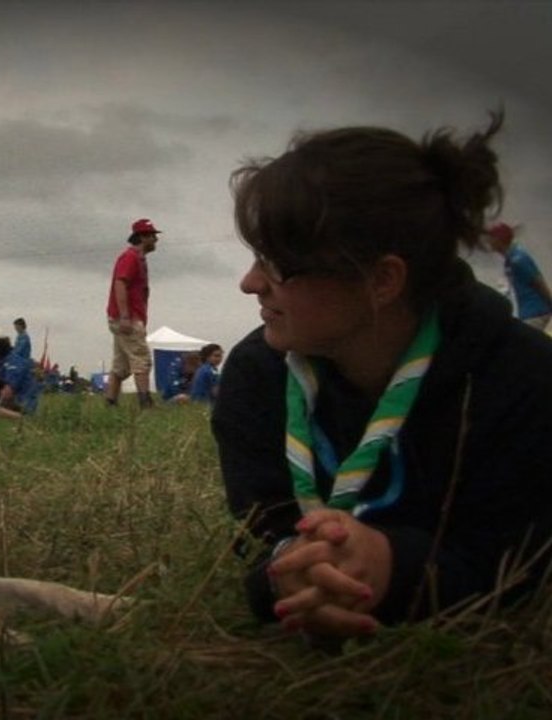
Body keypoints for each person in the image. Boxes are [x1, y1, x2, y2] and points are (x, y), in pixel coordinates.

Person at [212, 111, 552, 639]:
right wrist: (290, 570)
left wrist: (393, 566)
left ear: (382, 280)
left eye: (277, 265)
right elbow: (260, 534)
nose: (250, 283)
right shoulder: (257, 376)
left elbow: (515, 560)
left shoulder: (520, 379)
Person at [105, 218, 162, 409]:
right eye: (152, 236)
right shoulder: (130, 258)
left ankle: (110, 402)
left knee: (121, 366)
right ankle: (145, 403)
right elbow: (120, 283)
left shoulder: (136, 258)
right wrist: (125, 316)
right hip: (128, 318)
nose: (155, 240)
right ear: (142, 237)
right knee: (141, 360)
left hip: (123, 317)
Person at [485, 222, 552, 330]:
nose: (489, 241)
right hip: (528, 311)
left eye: (491, 238)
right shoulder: (511, 258)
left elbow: (538, 282)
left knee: (525, 344)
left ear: (499, 240)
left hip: (535, 312)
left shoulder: (518, 260)